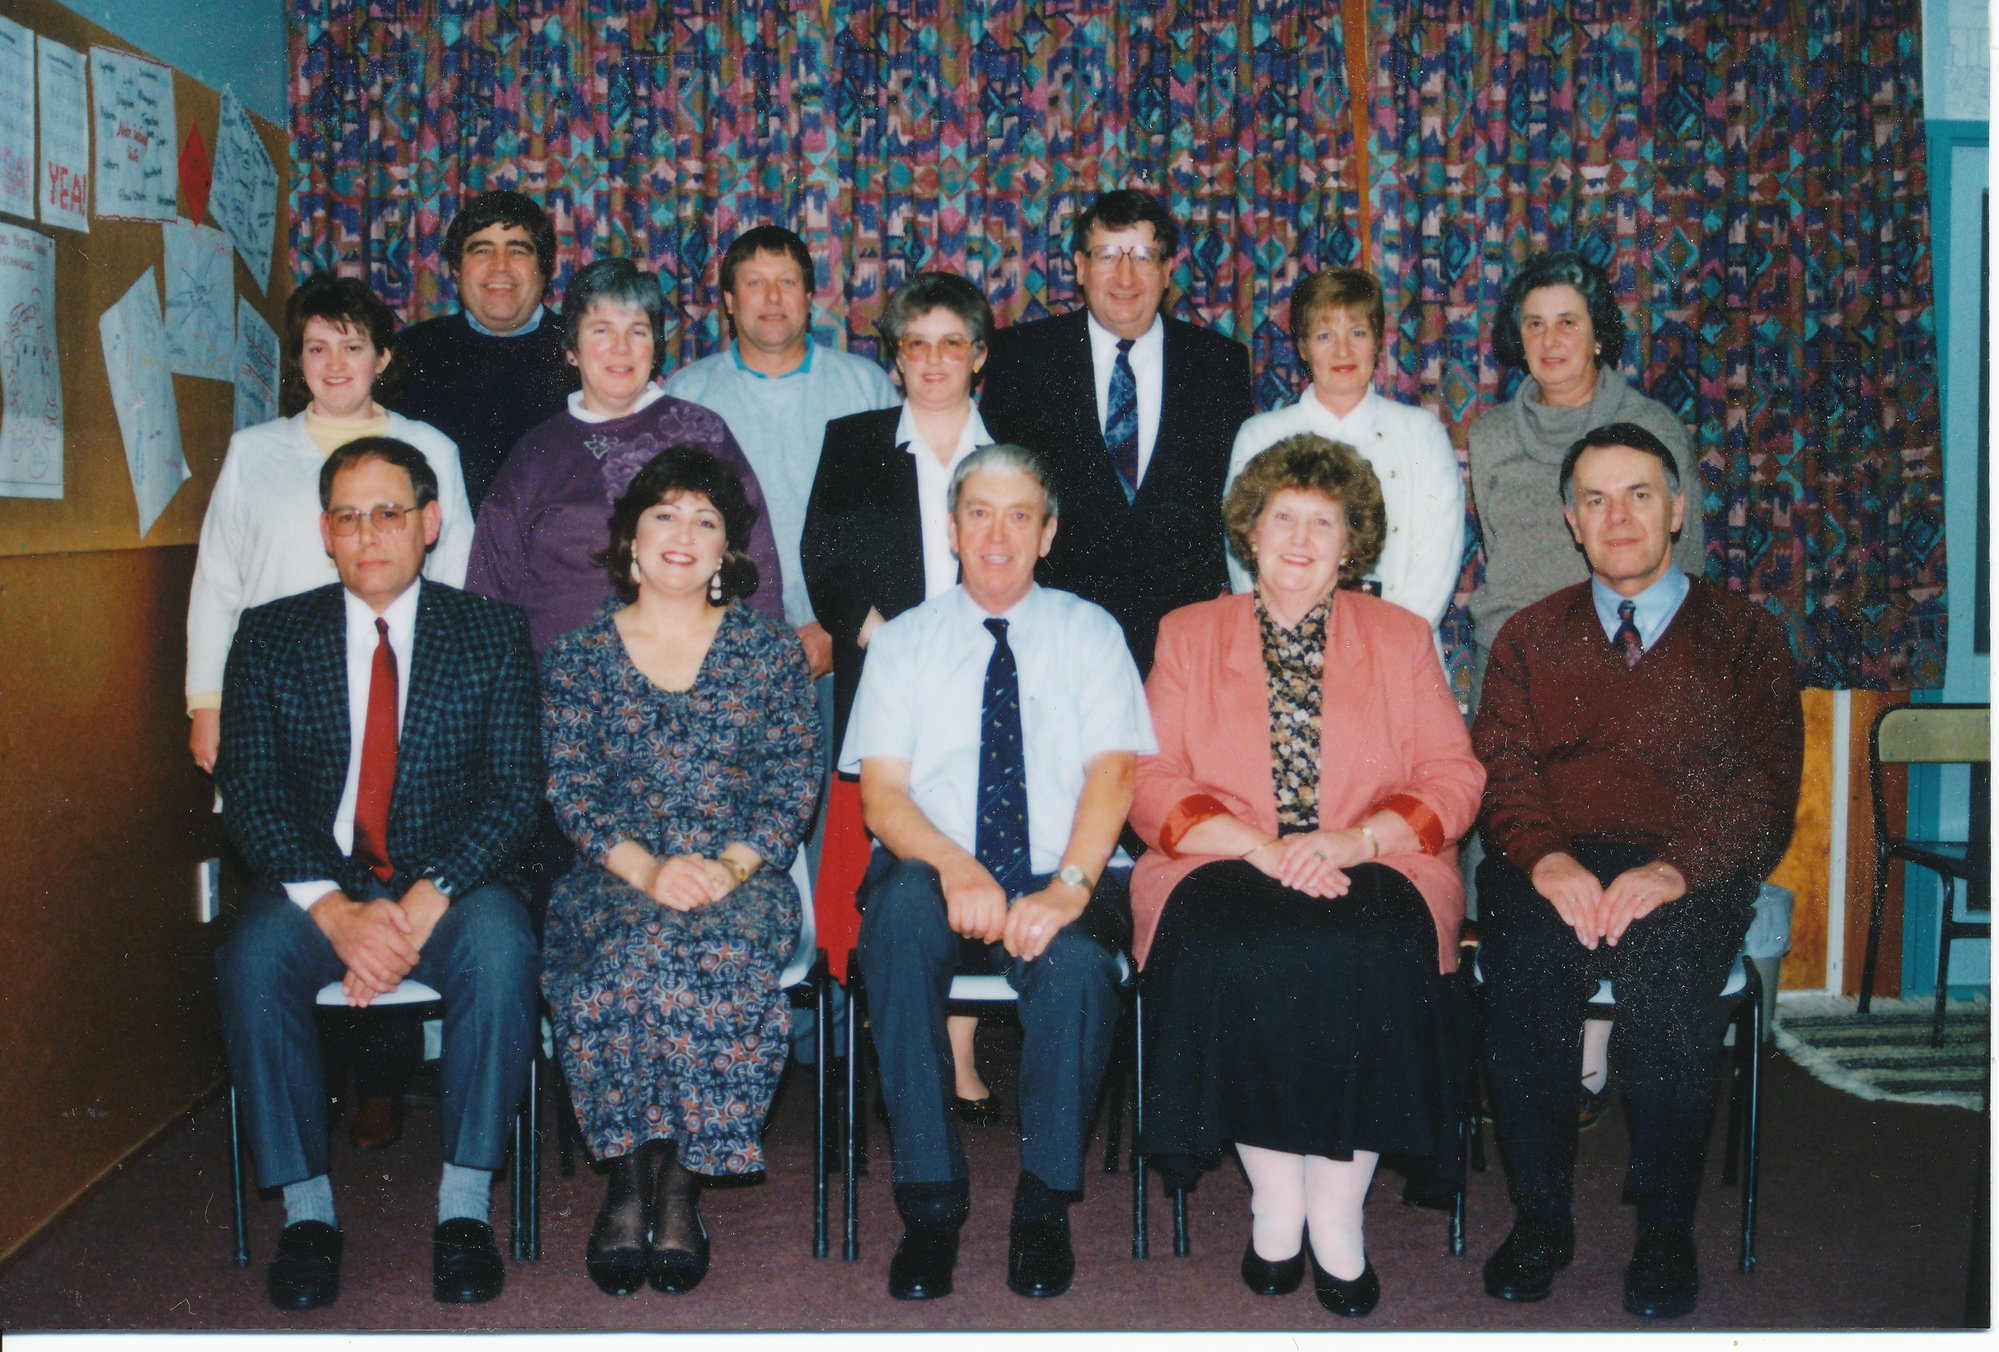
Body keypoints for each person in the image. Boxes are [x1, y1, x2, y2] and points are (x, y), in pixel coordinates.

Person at [1128, 434, 1484, 1318]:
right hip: (1222, 856)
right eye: (1281, 517)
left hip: (1372, 857)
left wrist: (1354, 842)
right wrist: (1259, 846)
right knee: (1238, 950)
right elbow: (1148, 776)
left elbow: (1453, 774)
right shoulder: (1188, 633)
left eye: (1322, 523)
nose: (1298, 538)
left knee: (1368, 950)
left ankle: (1336, 1213)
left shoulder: (1400, 637)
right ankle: (1274, 1201)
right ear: (1249, 531)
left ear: (1349, 543)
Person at [1472, 423, 1803, 1320]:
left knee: (1665, 979)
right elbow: (1502, 769)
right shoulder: (1529, 638)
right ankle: (1540, 1218)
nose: (1616, 517)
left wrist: (1676, 869)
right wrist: (1544, 858)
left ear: (1677, 510)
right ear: (1571, 523)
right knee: (1526, 971)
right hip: (1553, 859)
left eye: (1638, 495)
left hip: (1684, 866)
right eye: (1595, 500)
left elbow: (1765, 785)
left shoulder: (1745, 637)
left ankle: (1662, 1229)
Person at [213, 439, 540, 1311]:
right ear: (324, 532)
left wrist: (426, 899)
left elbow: (515, 793)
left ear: (429, 524)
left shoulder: (491, 631)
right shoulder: (270, 634)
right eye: (348, 517)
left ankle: (463, 1210)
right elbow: (250, 791)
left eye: (389, 513)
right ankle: (307, 1217)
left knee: (504, 950)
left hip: (450, 884)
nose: (369, 535)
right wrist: (335, 913)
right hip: (316, 884)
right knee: (251, 961)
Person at [843, 445, 1155, 1301]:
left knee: (1080, 969)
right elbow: (882, 797)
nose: (997, 534)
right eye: (978, 512)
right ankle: (930, 1202)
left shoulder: (1091, 632)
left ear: (1047, 534)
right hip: (934, 868)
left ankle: (1042, 1207)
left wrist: (1067, 889)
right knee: (896, 923)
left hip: (1064, 870)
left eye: (1020, 516)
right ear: (950, 528)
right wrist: (957, 868)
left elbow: (1113, 774)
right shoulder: (903, 643)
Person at [189, 274, 474, 1154]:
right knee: (298, 896)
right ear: (298, 362)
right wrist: (207, 702)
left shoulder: (427, 447)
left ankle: (381, 1084)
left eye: (353, 346)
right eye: (317, 347)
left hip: (397, 707)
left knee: (389, 874)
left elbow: (455, 580)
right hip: (284, 714)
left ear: (383, 357)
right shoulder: (255, 453)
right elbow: (218, 582)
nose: (336, 363)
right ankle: (305, 1094)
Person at [541, 446, 819, 1299]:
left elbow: (792, 783)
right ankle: (628, 1180)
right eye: (664, 514)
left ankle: (680, 1188)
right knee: (629, 955)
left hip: (741, 877)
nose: (683, 534)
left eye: (706, 520)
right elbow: (571, 789)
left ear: (727, 550)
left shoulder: (768, 652)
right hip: (615, 875)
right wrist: (649, 871)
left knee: (714, 954)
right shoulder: (578, 655)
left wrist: (728, 868)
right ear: (630, 538)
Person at [1465, 250, 1704, 1128]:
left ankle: (1589, 1062)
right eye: (1533, 323)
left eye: (1568, 320)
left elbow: (1686, 567)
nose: (1551, 338)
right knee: (1518, 852)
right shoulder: (1489, 436)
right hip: (1516, 672)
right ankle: (1525, 1049)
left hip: (1623, 667)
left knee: (1613, 839)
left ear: (1599, 332)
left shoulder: (1653, 426)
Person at [663, 224, 899, 1065]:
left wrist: (834, 632)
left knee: (835, 837)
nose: (771, 298)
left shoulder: (862, 385)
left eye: (788, 281)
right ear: (726, 301)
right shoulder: (688, 393)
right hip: (720, 658)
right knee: (735, 835)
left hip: (836, 646)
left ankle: (831, 1034)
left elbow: (888, 530)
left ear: (812, 295)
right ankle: (746, 1021)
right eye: (753, 283)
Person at [802, 270, 1007, 1119]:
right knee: (890, 871)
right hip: (884, 675)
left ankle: (956, 1053)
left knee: (972, 855)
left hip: (992, 684)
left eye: (951, 344)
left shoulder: (1013, 448)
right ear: (894, 359)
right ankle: (894, 1048)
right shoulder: (854, 442)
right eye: (914, 345)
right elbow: (825, 560)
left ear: (978, 356)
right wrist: (886, 642)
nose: (932, 361)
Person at [979, 188, 1255, 672]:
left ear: (1168, 270)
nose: (1125, 277)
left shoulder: (1219, 365)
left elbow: (1233, 499)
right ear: (1080, 267)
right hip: (1054, 639)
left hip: (1183, 644)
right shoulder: (1021, 358)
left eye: (1143, 256)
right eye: (1107, 255)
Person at [466, 255, 785, 657]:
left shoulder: (703, 433)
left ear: (654, 348)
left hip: (692, 676)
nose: (621, 348)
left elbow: (757, 571)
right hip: (556, 682)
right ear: (572, 349)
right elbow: (487, 595)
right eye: (602, 330)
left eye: (637, 331)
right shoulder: (535, 452)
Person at [1224, 268, 1464, 632]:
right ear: (1303, 347)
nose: (1343, 351)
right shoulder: (1260, 436)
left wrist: (1387, 647)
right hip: (1286, 648)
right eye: (1325, 335)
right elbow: (1245, 562)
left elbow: (1436, 564)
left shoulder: (1422, 434)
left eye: (1358, 333)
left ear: (1378, 342)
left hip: (1399, 644)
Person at [392, 190, 573, 508]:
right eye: (482, 250)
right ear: (457, 270)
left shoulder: (585, 353)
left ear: (544, 269)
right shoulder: (410, 353)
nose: (499, 266)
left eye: (517, 250)